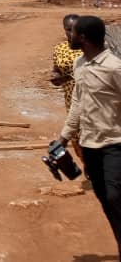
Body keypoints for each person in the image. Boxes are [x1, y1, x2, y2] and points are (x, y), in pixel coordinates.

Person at [55, 15, 121, 258]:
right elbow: (78, 104)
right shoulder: (80, 64)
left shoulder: (114, 68)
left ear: (82, 37)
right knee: (106, 200)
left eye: (72, 33)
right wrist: (63, 138)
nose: (68, 35)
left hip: (116, 144)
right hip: (90, 145)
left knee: (116, 197)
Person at [50, 14, 83, 110]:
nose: (72, 33)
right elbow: (56, 69)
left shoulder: (90, 47)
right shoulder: (60, 48)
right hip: (70, 98)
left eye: (75, 30)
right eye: (69, 30)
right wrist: (56, 77)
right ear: (64, 29)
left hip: (92, 100)